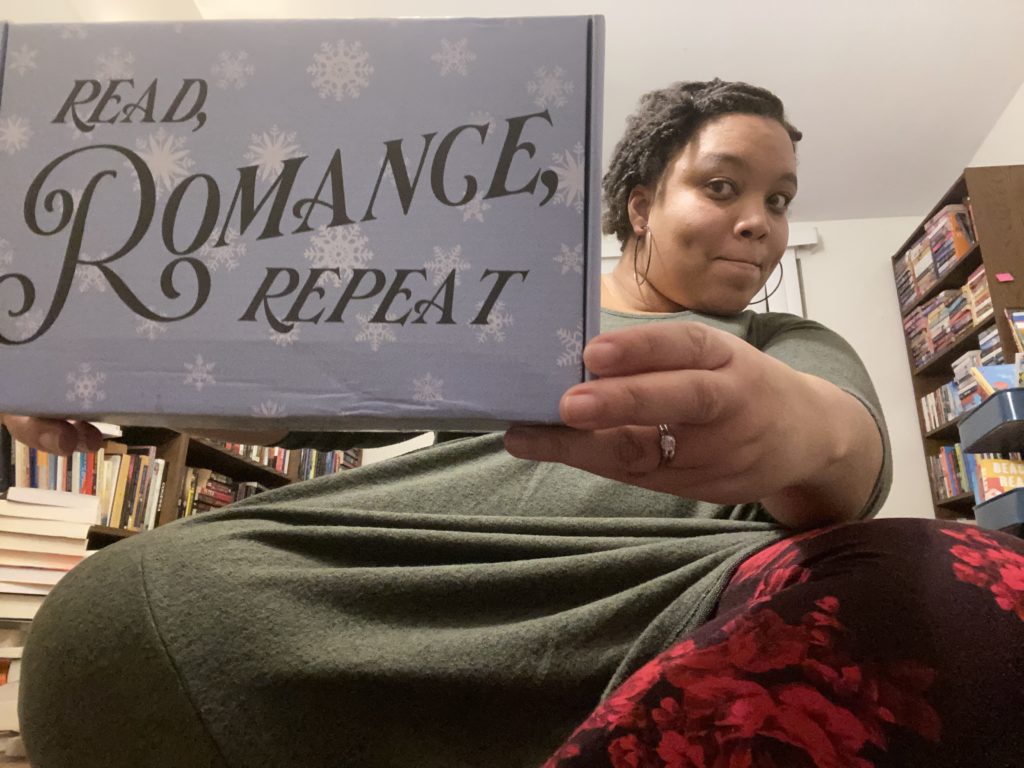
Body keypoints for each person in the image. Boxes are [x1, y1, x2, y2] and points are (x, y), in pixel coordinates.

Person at [7, 80, 1024, 768]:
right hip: (221, 612)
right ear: (637, 202)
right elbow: (308, 376)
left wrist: (780, 427)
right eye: (722, 187)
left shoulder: (779, 336)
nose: (760, 221)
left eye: (779, 198)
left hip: (621, 649)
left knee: (976, 583)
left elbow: (847, 450)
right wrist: (92, 367)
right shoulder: (512, 298)